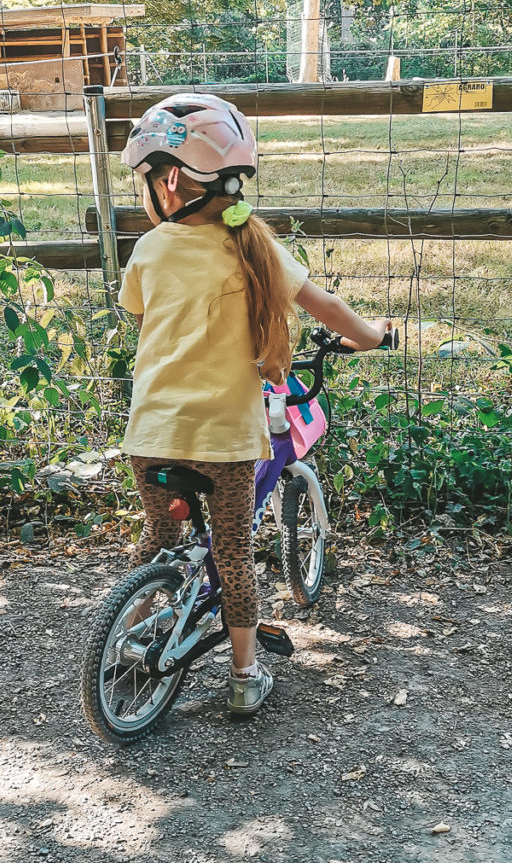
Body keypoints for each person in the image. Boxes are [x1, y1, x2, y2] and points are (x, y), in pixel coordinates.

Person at [118, 93, 392, 716]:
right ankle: (245, 677)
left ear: (171, 181)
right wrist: (371, 336)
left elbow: (137, 309)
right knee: (232, 552)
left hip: (152, 430)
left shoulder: (150, 251)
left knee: (161, 540)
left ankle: (132, 627)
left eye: (146, 181)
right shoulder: (256, 251)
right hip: (226, 440)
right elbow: (329, 311)